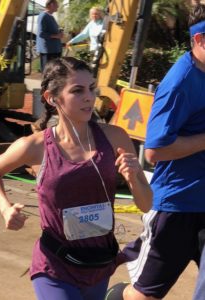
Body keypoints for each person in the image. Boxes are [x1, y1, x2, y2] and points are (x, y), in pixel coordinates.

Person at [0, 56, 152, 300]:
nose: (89, 97)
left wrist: (134, 177)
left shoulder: (115, 138)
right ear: (52, 98)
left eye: (92, 88)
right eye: (77, 90)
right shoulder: (36, 146)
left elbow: (146, 204)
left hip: (98, 263)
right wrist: (5, 208)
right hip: (54, 265)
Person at [106, 4, 205, 300]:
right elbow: (155, 151)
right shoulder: (180, 82)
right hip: (176, 206)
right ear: (200, 41)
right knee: (145, 296)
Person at [36, 0, 63, 72]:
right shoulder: (43, 16)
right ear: (51, 5)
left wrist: (59, 30)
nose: (58, 6)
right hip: (48, 51)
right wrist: (56, 36)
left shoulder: (50, 16)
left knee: (54, 71)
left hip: (54, 49)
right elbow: (41, 33)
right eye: (56, 5)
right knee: (48, 72)